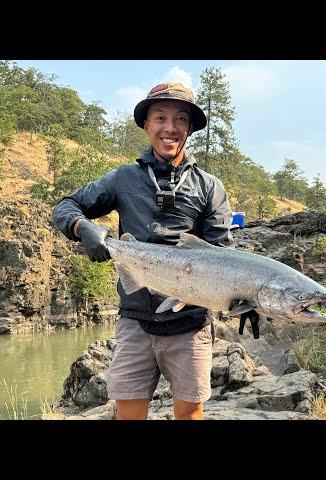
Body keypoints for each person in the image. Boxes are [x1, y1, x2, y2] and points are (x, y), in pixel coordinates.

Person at [52, 82, 233, 420]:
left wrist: (242, 298)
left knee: (191, 412)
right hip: (135, 320)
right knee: (129, 413)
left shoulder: (210, 187)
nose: (170, 127)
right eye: (160, 117)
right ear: (146, 125)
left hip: (189, 323)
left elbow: (222, 255)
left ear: (190, 128)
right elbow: (66, 207)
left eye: (180, 119)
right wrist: (83, 228)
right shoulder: (123, 178)